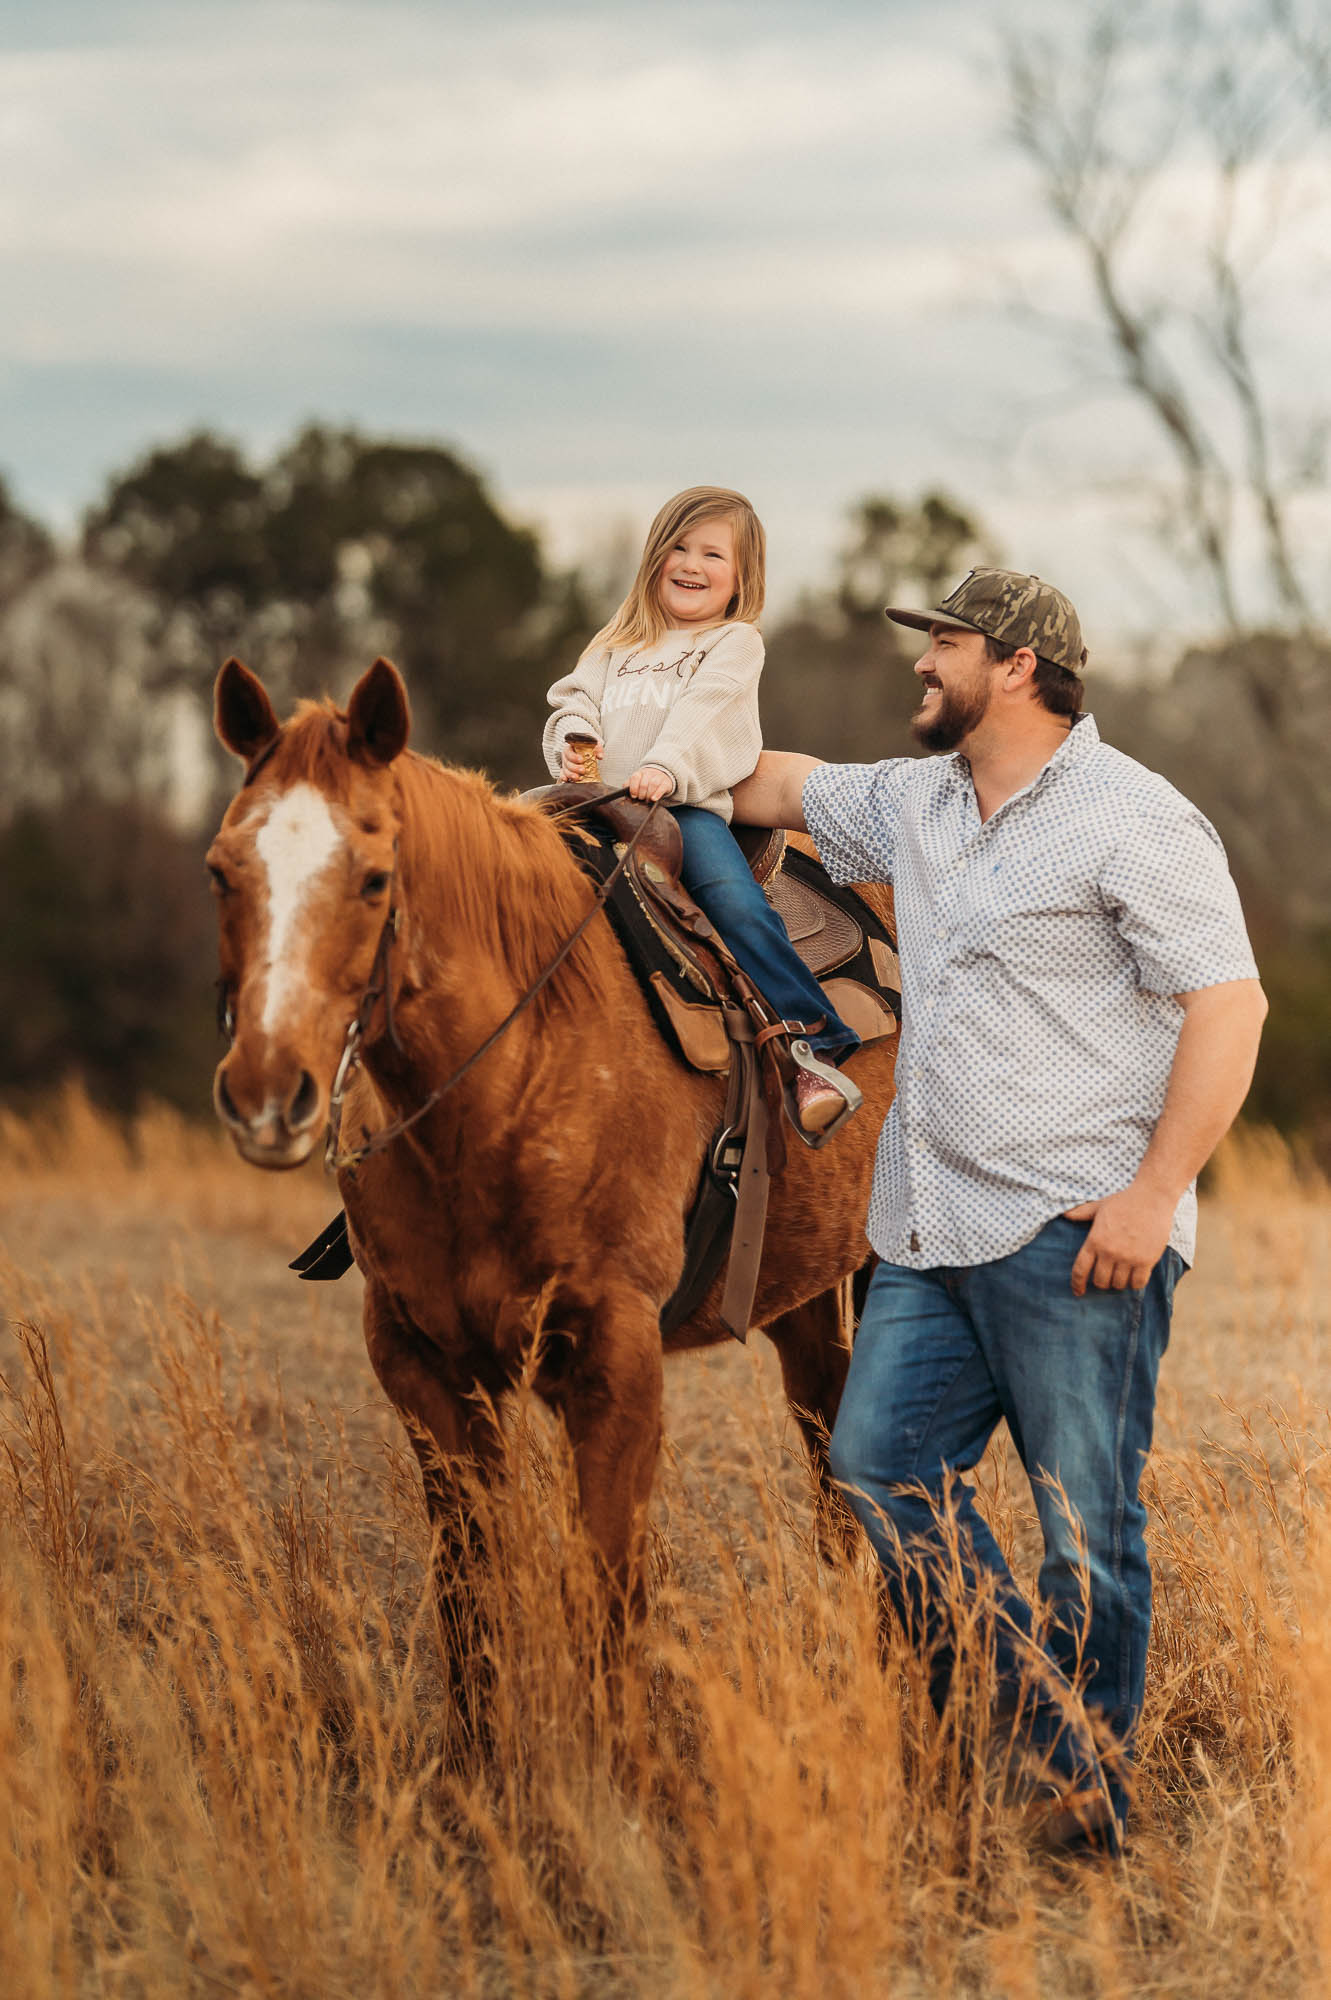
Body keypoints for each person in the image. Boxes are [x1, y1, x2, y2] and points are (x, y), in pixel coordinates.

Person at [728, 566, 1267, 1853]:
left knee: (1084, 1530)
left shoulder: (1137, 818)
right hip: (921, 1229)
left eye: (945, 643)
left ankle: (1072, 1824)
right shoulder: (917, 800)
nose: (922, 663)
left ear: (1016, 664)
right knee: (875, 1472)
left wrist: (1151, 1197)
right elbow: (777, 784)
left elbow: (1226, 1005)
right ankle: (1053, 1750)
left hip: (1076, 1232)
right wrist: (624, 740)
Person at [543, 485, 862, 1139]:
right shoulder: (614, 645)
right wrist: (573, 745)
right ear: (656, 557)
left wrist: (665, 767)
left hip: (682, 811)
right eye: (679, 548)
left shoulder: (733, 642)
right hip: (594, 807)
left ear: (741, 577)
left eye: (712, 555)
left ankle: (812, 1042)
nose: (691, 564)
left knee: (735, 905)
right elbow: (572, 701)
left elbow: (704, 710)